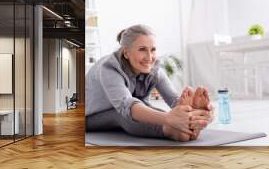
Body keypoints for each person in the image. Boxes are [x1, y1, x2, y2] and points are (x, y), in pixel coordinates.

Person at [85, 24, 214, 141]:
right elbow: (126, 105)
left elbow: (174, 101)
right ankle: (170, 131)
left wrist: (202, 114)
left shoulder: (153, 68)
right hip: (90, 117)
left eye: (152, 50)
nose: (149, 57)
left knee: (152, 110)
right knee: (123, 113)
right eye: (142, 49)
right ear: (126, 52)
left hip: (131, 108)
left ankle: (189, 126)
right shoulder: (108, 68)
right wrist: (169, 119)